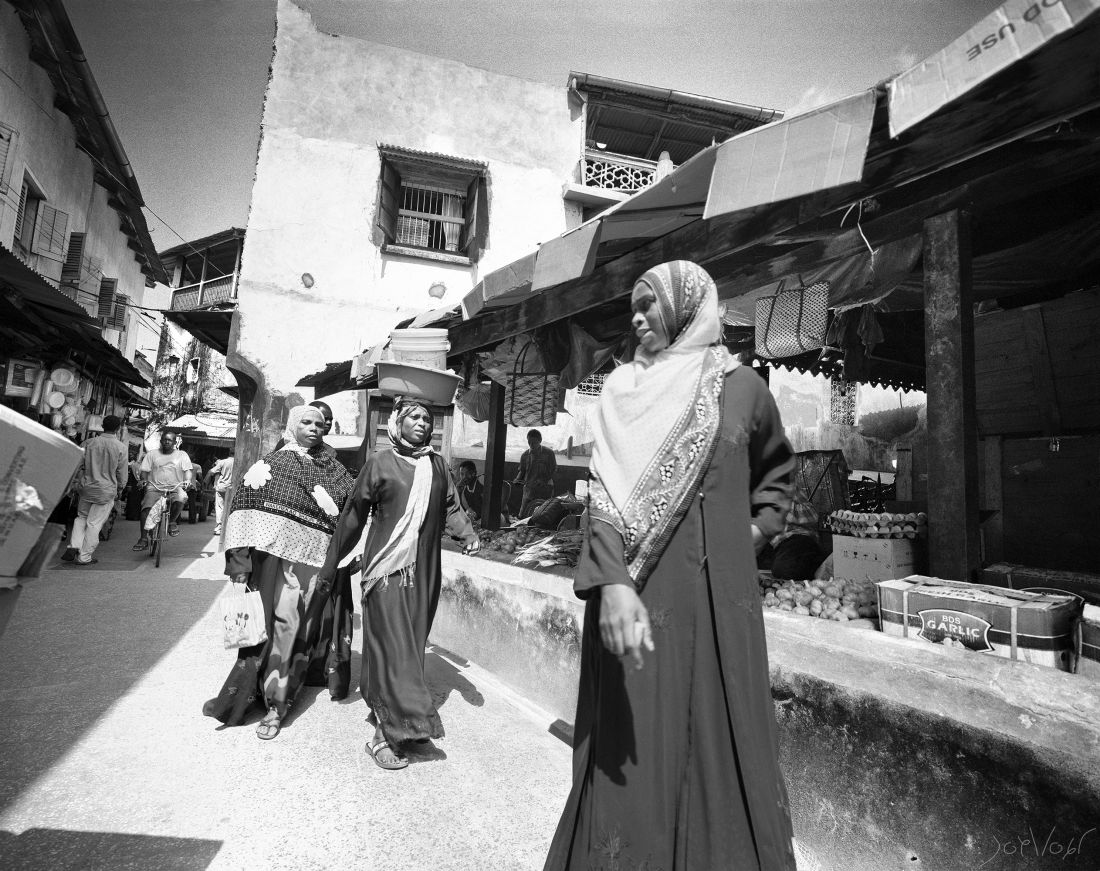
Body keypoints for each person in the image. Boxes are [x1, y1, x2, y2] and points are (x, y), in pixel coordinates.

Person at [544, 261, 798, 871]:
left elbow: (776, 473)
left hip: (721, 608)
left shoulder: (742, 389)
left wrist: (755, 535)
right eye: (633, 306)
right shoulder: (619, 394)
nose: (635, 317)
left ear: (687, 308)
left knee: (724, 735)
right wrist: (610, 585)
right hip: (639, 599)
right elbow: (602, 498)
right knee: (637, 750)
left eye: (648, 304)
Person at [319, 398, 481, 770]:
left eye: (428, 418)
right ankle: (384, 736)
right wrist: (333, 562)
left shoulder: (438, 466)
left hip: (424, 570)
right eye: (414, 417)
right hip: (386, 570)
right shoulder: (379, 462)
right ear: (397, 423)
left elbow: (451, 507)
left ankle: (400, 717)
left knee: (409, 643)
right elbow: (354, 514)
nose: (423, 423)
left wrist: (467, 535)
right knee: (395, 646)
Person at [203, 405, 356, 739]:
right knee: (283, 627)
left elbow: (355, 507)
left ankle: (281, 693)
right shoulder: (271, 466)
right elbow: (244, 510)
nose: (315, 428)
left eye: (320, 424)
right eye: (307, 422)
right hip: (277, 565)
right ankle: (275, 704)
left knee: (303, 631)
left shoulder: (336, 471)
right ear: (292, 425)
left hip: (315, 565)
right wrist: (240, 565)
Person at [60, 415, 127, 566]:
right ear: (117, 429)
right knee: (94, 523)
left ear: (102, 426)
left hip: (86, 488)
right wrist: (121, 488)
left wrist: (75, 483)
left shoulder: (88, 443)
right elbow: (122, 473)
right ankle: (84, 557)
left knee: (81, 517)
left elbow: (78, 465)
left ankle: (74, 545)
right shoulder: (121, 447)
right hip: (106, 490)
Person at [133, 432, 193, 550]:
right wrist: (143, 480)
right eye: (164, 439)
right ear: (161, 441)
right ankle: (143, 538)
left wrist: (188, 480)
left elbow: (187, 471)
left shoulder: (182, 455)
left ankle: (171, 522)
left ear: (175, 442)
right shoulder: (152, 454)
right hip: (155, 487)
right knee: (146, 508)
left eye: (170, 440)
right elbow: (144, 470)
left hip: (175, 487)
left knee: (182, 498)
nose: (166, 442)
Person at [515, 429, 556, 518]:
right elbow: (522, 471)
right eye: (529, 442)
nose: (531, 445)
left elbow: (553, 469)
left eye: (534, 442)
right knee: (523, 516)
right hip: (529, 490)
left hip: (545, 489)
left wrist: (543, 480)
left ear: (540, 441)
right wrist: (518, 479)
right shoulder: (525, 455)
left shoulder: (549, 453)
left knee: (543, 515)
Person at [205, 454, 236, 534]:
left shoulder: (223, 462)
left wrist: (204, 483)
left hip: (221, 487)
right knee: (231, 507)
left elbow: (211, 472)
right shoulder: (238, 462)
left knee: (220, 507)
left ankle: (219, 527)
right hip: (233, 488)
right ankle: (230, 528)